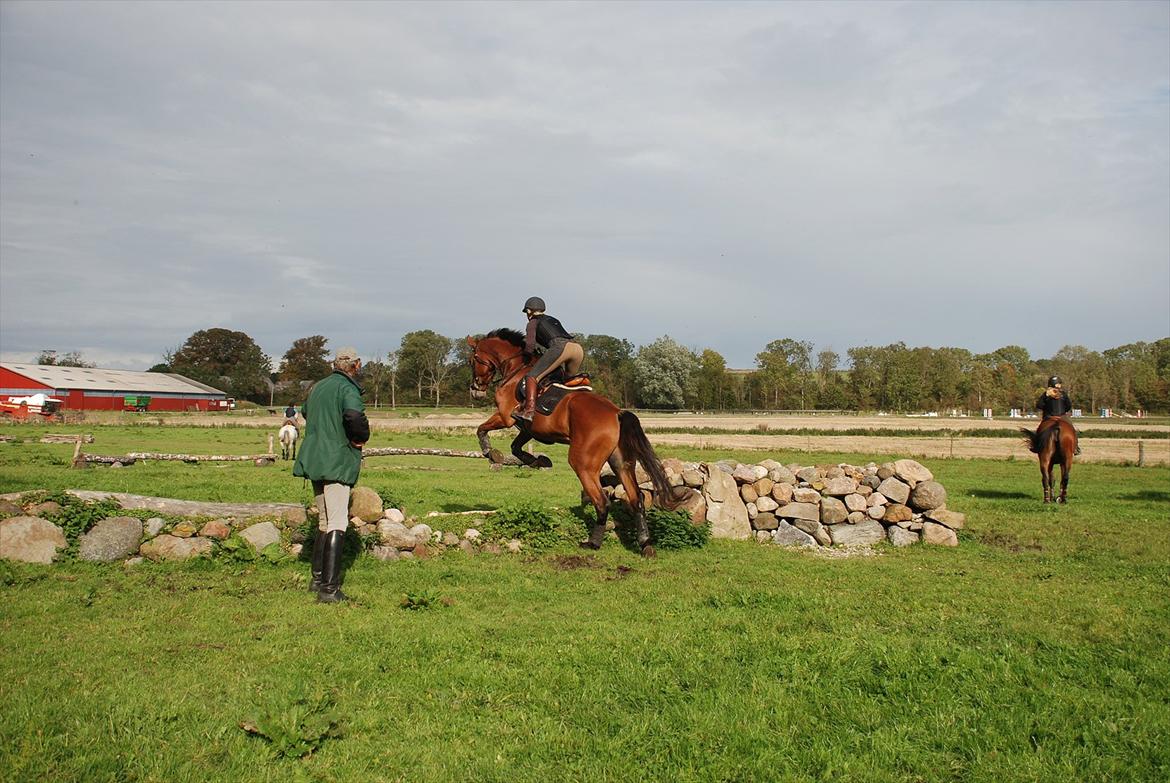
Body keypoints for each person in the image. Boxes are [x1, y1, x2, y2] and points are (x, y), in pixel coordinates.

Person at [293, 346, 370, 603]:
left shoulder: (318, 387)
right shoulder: (347, 388)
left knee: (324, 521)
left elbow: (306, 411)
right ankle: (329, 589)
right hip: (337, 459)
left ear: (334, 364)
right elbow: (354, 416)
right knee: (337, 522)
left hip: (314, 458)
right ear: (356, 365)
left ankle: (317, 579)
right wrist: (360, 437)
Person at [514, 296, 585, 420]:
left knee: (532, 377)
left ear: (529, 311)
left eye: (526, 312)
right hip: (577, 348)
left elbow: (530, 345)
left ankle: (529, 411)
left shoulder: (532, 322)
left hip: (560, 347)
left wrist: (526, 355)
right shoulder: (552, 319)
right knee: (566, 381)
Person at [1036, 375, 1080, 454]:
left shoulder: (1045, 394)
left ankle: (1036, 446)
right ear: (1057, 385)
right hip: (1062, 417)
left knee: (1039, 431)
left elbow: (1039, 405)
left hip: (1049, 417)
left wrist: (1046, 400)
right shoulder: (1063, 394)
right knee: (1072, 430)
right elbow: (1068, 406)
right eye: (1059, 384)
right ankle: (1076, 447)